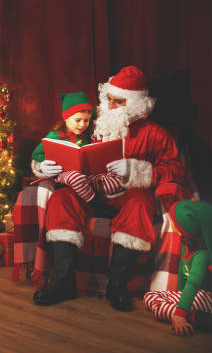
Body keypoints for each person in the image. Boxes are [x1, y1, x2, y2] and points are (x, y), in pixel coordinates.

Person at [32, 66, 186, 310]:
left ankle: (117, 285)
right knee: (62, 199)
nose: (111, 105)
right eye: (109, 99)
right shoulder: (91, 125)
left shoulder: (155, 134)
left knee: (139, 202)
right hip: (90, 192)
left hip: (126, 198)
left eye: (119, 101)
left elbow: (176, 170)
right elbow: (58, 145)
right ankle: (63, 281)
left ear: (136, 104)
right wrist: (44, 166)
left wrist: (136, 170)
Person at [31, 92, 123, 203]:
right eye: (78, 120)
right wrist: (46, 163)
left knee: (115, 178)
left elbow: (96, 111)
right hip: (63, 174)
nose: (82, 125)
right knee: (76, 177)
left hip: (85, 174)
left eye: (86, 120)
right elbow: (36, 153)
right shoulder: (55, 135)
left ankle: (103, 197)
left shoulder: (84, 133)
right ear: (66, 118)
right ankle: (95, 203)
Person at [143, 200, 212, 336]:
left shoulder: (202, 255)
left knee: (161, 308)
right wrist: (178, 294)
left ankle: (190, 317)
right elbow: (182, 272)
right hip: (192, 295)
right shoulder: (186, 244)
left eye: (175, 223)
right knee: (149, 296)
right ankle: (189, 314)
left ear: (189, 229)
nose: (172, 225)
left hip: (206, 296)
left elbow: (192, 284)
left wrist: (180, 313)